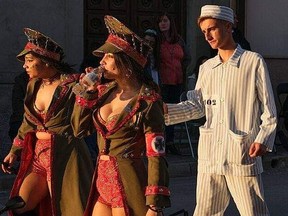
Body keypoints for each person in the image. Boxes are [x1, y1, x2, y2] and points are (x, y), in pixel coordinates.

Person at [164, 5, 277, 216]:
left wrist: (263, 138)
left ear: (228, 26)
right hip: (210, 156)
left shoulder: (253, 62)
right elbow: (198, 106)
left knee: (254, 212)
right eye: (203, 31)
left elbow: (269, 110)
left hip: (242, 153)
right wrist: (163, 112)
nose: (207, 35)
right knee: (205, 213)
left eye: (212, 29)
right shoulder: (206, 68)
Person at [71, 15, 170, 216]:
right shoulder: (103, 92)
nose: (101, 61)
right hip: (101, 182)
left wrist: (154, 203)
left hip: (129, 182)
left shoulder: (147, 102)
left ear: (125, 62)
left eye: (108, 56)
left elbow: (156, 154)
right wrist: (87, 93)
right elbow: (79, 129)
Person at [1, 28, 94, 216]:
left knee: (66, 209)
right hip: (38, 157)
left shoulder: (72, 84)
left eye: (29, 61)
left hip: (66, 156)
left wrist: (89, 90)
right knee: (20, 206)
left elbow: (83, 119)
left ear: (45, 60)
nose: (24, 66)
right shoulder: (33, 85)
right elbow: (28, 122)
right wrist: (14, 151)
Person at [156, 12, 191, 154]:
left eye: (165, 20)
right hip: (162, 82)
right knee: (161, 113)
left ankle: (170, 141)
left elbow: (187, 57)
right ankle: (160, 143)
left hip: (177, 80)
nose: (163, 24)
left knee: (172, 112)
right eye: (160, 21)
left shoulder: (179, 40)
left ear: (171, 23)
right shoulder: (157, 40)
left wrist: (182, 70)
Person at [8, 71, 29, 142]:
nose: (24, 65)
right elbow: (18, 111)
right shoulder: (22, 80)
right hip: (23, 124)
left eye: (30, 60)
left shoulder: (61, 82)